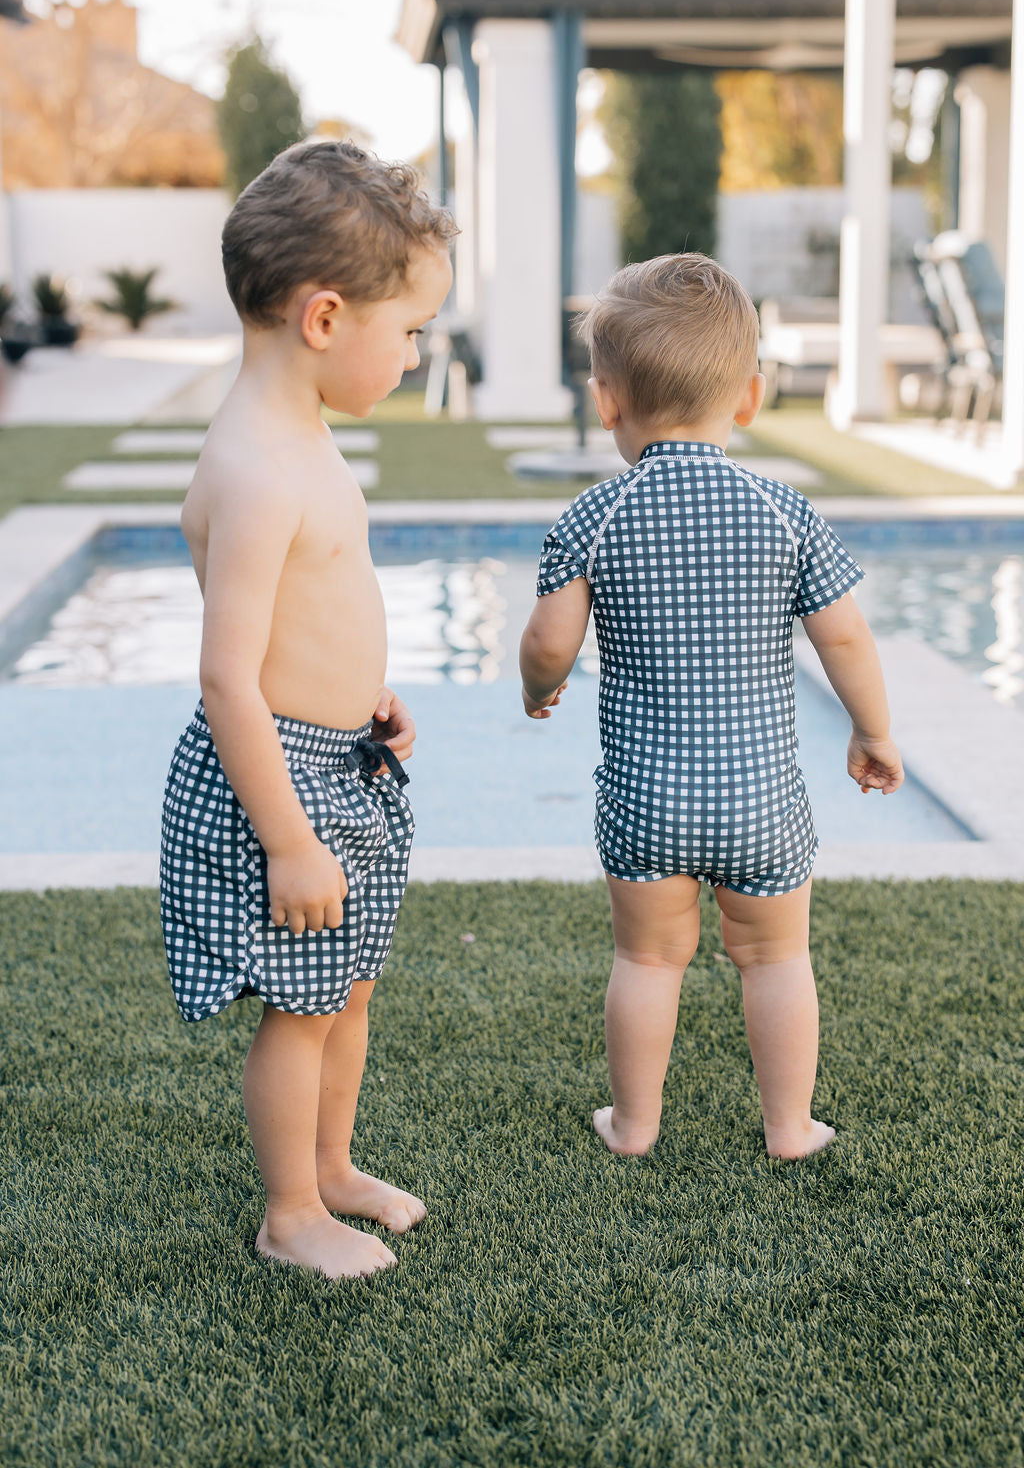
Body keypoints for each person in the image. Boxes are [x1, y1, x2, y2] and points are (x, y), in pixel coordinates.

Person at [519, 253, 903, 1161]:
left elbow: (546, 644)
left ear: (606, 401)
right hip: (760, 797)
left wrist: (541, 690)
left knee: (648, 960)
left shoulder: (596, 516)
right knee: (775, 959)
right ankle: (789, 1126)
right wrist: (873, 730)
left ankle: (636, 1125)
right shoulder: (784, 512)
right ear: (751, 397)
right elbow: (844, 639)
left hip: (648, 796)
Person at [160, 140, 454, 1278]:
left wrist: (360, 698)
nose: (417, 354)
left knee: (346, 987)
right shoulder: (256, 468)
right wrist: (286, 837)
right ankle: (289, 1212)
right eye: (411, 330)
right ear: (325, 319)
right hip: (277, 781)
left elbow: (308, 614)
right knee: (300, 1004)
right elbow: (229, 677)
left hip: (341, 757)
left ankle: (331, 1170)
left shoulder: (303, 435)